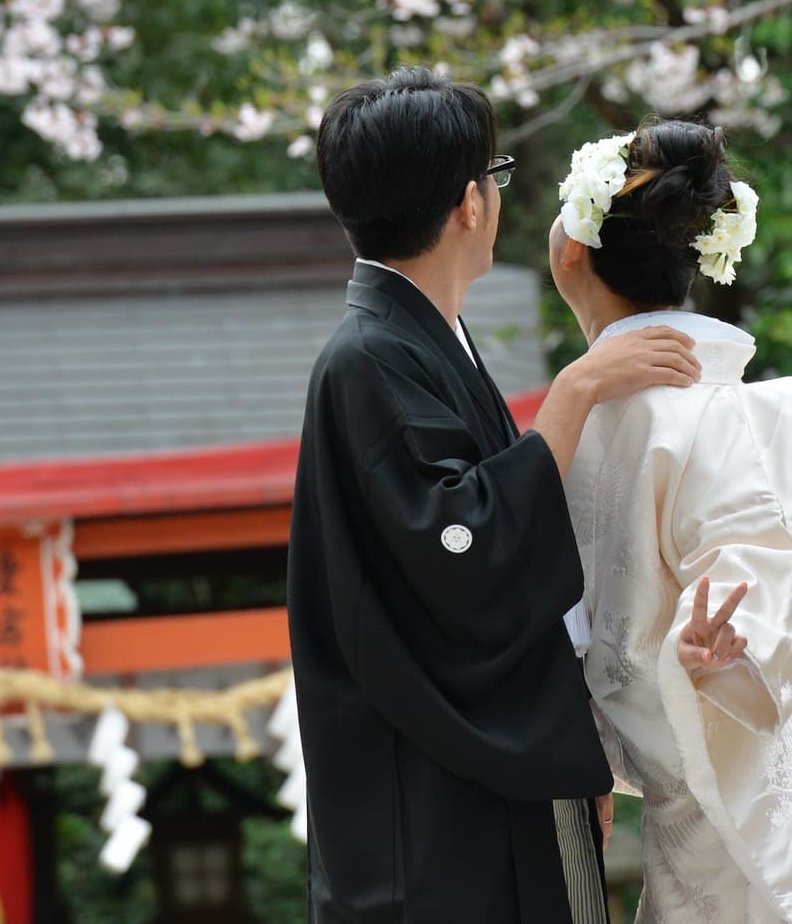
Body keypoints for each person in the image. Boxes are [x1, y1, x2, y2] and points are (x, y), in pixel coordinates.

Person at [287, 67, 702, 924]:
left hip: (486, 773)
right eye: (495, 176)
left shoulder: (418, 340)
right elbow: (462, 545)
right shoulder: (367, 358)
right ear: (470, 205)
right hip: (434, 807)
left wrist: (569, 744)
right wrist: (575, 391)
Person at [550, 120, 792, 924]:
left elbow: (730, 577)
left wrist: (704, 657)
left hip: (722, 834)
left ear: (570, 253)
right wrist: (714, 658)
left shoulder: (590, 436)